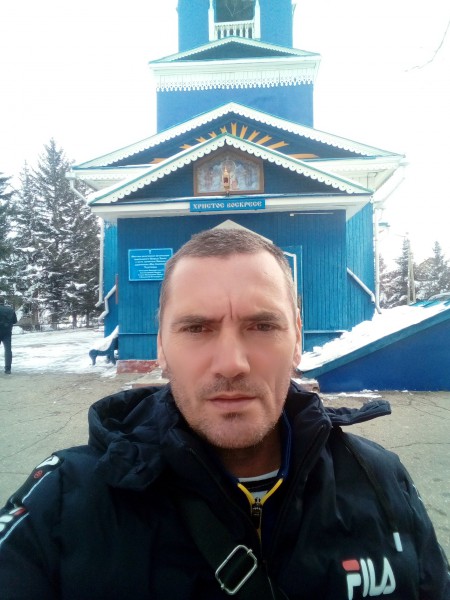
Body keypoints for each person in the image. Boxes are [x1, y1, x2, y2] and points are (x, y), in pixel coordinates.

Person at [0, 229, 448, 599]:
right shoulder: (60, 502)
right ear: (161, 345)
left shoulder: (379, 478)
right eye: (197, 328)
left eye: (262, 325)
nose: (232, 363)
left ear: (296, 338)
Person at [0, 301, 17, 374]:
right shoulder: (10, 310)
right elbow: (15, 321)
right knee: (8, 350)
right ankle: (8, 369)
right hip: (7, 332)